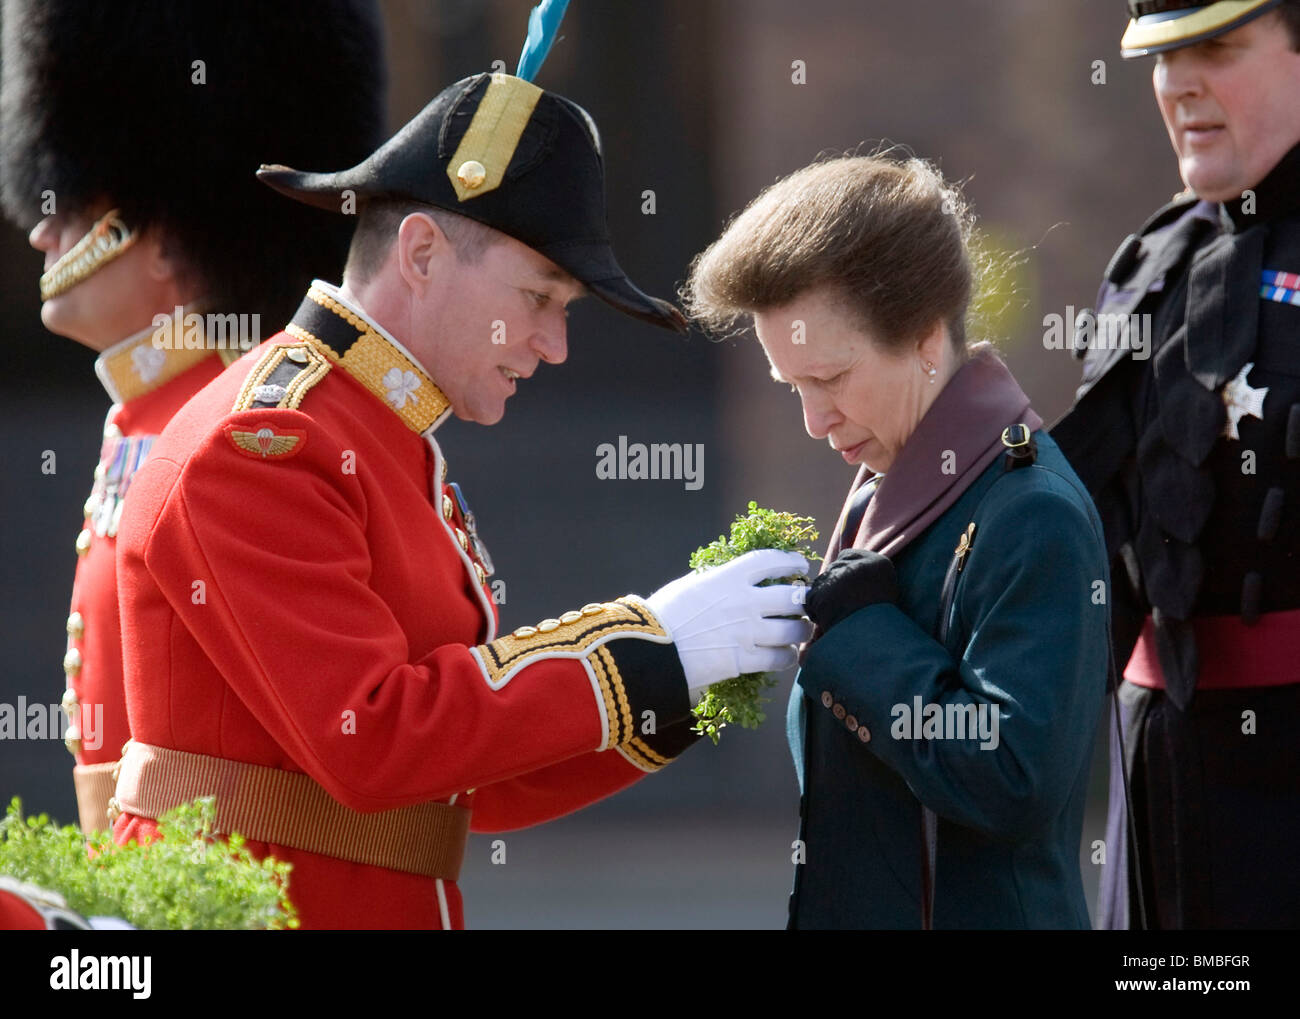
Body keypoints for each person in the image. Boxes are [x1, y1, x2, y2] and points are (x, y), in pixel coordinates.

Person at [108, 59, 813, 929]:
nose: (554, 345)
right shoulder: (266, 443)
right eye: (537, 297)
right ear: (422, 252)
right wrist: (653, 647)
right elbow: (374, 739)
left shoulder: (374, 433)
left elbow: (470, 777)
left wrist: (689, 677)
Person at [684, 154, 1110, 929]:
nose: (814, 420)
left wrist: (866, 638)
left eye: (833, 377)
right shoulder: (892, 472)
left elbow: (1011, 774)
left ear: (924, 338)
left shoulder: (1031, 509)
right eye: (792, 387)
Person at [0, 0, 387, 834]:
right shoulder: (142, 419)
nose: (39, 231)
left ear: (168, 241)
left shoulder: (244, 434)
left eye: (71, 206)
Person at [1051, 0, 1300, 929]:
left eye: (1218, 48)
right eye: (1163, 56)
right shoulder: (1155, 255)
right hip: (1155, 774)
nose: (1180, 83)